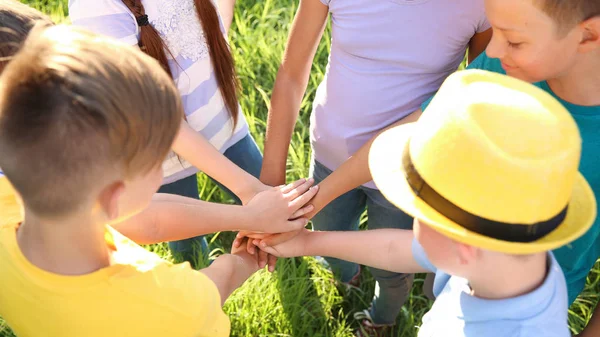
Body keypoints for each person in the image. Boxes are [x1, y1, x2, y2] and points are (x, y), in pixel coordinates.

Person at [0, 25, 296, 337]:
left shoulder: (11, 206)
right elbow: (211, 289)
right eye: (157, 159)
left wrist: (249, 216)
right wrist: (245, 259)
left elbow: (148, 221)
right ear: (114, 195)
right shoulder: (173, 308)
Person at [257, 69, 597, 337]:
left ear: (462, 244)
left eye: (417, 211)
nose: (413, 223)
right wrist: (307, 242)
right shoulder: (519, 260)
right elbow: (399, 248)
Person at [256, 1, 493, 333]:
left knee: (393, 268)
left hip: (406, 172)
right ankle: (347, 275)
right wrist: (271, 184)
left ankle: (383, 316)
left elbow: (476, 95)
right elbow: (292, 72)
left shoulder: (483, 7)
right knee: (329, 235)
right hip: (330, 156)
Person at [68, 0, 272, 263]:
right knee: (189, 249)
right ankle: (202, 298)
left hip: (222, 121)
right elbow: (150, 109)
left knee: (268, 203)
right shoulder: (96, 7)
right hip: (164, 155)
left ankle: (284, 258)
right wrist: (248, 189)